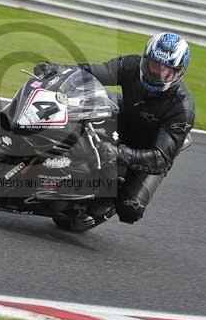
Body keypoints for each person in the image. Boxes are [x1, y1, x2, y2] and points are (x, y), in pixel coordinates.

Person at [33, 32, 195, 225]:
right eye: (153, 65)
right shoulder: (131, 65)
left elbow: (160, 158)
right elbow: (92, 72)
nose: (156, 74)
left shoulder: (182, 108)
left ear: (178, 72)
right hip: (126, 118)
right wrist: (56, 70)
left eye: (165, 70)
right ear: (145, 60)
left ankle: (104, 198)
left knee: (130, 209)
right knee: (83, 104)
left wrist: (119, 154)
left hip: (150, 149)